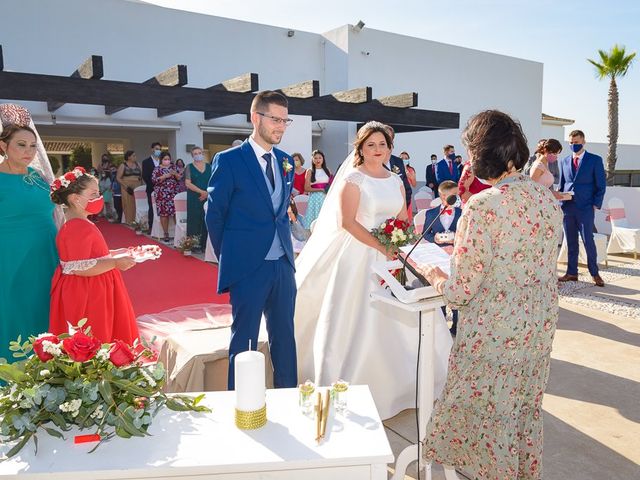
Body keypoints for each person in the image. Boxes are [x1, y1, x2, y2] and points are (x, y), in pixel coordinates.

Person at [417, 110, 563, 480]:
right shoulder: (546, 199)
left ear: (482, 157)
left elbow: (461, 291)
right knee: (521, 409)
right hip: (538, 326)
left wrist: (434, 276)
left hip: (495, 332)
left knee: (490, 418)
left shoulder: (483, 207)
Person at [294, 121, 452, 419]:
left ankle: (407, 386)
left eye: (382, 145)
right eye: (371, 145)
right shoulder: (353, 179)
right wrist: (381, 246)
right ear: (361, 148)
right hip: (359, 254)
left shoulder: (395, 180)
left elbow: (404, 217)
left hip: (392, 254)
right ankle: (352, 387)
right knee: (355, 318)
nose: (377, 150)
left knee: (404, 315)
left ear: (390, 148)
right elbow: (348, 223)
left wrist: (400, 239)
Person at [206, 90, 297, 390]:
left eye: (285, 120)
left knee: (285, 339)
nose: (281, 127)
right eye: (275, 119)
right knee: (244, 342)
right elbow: (215, 216)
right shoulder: (229, 160)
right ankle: (241, 406)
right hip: (247, 268)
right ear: (255, 117)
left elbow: (279, 213)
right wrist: (232, 257)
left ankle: (288, 400)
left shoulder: (286, 162)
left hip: (283, 266)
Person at [49, 168, 139, 345]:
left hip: (94, 287)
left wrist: (113, 254)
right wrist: (114, 263)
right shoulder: (76, 227)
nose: (99, 198)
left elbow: (90, 255)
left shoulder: (81, 222)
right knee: (96, 332)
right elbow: (79, 267)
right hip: (88, 293)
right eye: (94, 194)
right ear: (75, 198)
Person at [0, 105, 59, 361]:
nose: (28, 151)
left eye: (32, 146)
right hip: (10, 257)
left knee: (44, 309)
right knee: (13, 310)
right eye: (21, 145)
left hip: (46, 255)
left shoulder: (38, 177)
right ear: (4, 146)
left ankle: (46, 366)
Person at [558, 129, 606, 287]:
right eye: (571, 143)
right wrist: (560, 200)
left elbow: (601, 185)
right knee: (570, 241)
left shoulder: (595, 160)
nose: (573, 145)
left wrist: (595, 204)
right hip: (568, 207)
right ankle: (572, 272)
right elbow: (563, 183)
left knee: (588, 241)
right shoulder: (564, 161)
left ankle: (595, 273)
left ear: (583, 142)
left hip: (585, 207)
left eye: (576, 143)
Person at [422, 180, 462, 336]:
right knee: (438, 286)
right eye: (453, 195)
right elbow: (426, 233)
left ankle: (456, 325)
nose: (456, 198)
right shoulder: (431, 213)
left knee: (454, 285)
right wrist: (435, 239)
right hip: (437, 255)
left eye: (457, 195)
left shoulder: (461, 212)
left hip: (455, 255)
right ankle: (440, 322)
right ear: (443, 196)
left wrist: (455, 239)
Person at [185, 146, 211, 251]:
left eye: (199, 153)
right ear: (192, 156)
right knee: (194, 219)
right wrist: (201, 192)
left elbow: (215, 181)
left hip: (208, 197)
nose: (198, 155)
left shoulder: (210, 166)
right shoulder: (189, 167)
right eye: (195, 153)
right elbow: (187, 183)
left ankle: (205, 245)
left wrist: (207, 193)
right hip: (194, 198)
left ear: (203, 154)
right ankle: (194, 244)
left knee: (206, 219)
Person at [384, 126, 413, 219]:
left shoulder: (398, 162)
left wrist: (400, 212)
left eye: (389, 138)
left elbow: (407, 190)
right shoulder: (371, 163)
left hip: (396, 215)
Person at [152, 152, 180, 243]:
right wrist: (165, 176)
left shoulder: (174, 167)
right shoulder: (157, 169)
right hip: (162, 194)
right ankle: (166, 233)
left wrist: (175, 174)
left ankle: (178, 233)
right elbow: (154, 180)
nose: (167, 161)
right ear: (161, 159)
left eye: (168, 159)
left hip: (173, 193)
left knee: (176, 212)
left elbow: (180, 178)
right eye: (165, 159)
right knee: (164, 214)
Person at [303, 150, 332, 229]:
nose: (318, 160)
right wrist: (320, 190)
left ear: (323, 159)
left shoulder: (327, 170)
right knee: (315, 222)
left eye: (320, 158)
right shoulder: (310, 171)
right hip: (315, 199)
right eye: (315, 158)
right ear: (312, 159)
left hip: (326, 197)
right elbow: (306, 188)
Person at [116, 150, 143, 225]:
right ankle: (129, 220)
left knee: (137, 203)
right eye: (133, 156)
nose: (135, 157)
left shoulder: (138, 164)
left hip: (137, 185)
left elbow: (141, 176)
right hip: (126, 186)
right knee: (128, 203)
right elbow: (118, 178)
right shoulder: (123, 165)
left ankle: (137, 220)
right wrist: (126, 186)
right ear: (128, 157)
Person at [142, 142, 162, 231]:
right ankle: (151, 226)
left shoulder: (162, 161)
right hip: (151, 188)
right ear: (152, 149)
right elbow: (145, 176)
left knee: (162, 208)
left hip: (163, 189)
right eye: (156, 149)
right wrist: (155, 184)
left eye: (159, 149)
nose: (158, 151)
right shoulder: (146, 162)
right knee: (152, 207)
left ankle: (161, 227)